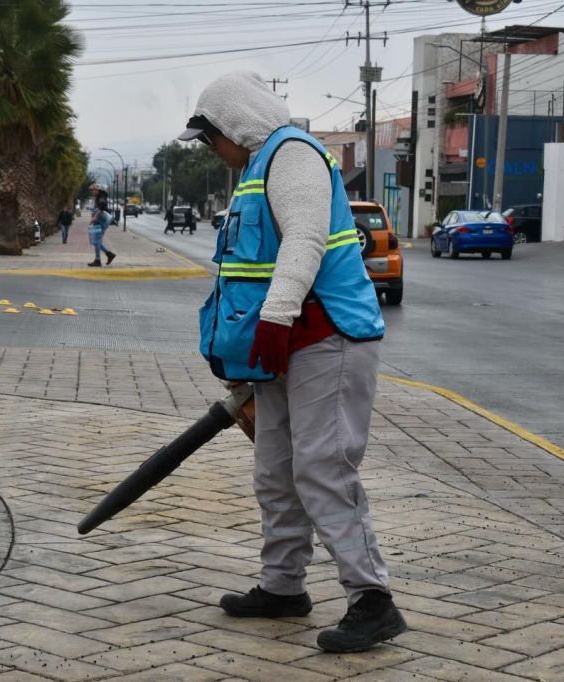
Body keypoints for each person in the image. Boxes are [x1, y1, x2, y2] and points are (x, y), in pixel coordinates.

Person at [180, 71, 405, 654]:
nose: (213, 149)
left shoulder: (294, 155)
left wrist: (276, 321)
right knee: (275, 469)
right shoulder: (256, 169)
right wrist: (251, 350)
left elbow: (305, 239)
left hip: (326, 337)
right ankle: (283, 587)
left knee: (323, 467)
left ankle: (372, 599)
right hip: (280, 346)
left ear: (235, 123)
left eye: (212, 137)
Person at [87, 200, 116, 267]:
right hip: (100, 225)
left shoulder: (101, 199)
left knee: (96, 242)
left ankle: (98, 260)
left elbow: (100, 209)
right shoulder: (98, 201)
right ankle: (108, 254)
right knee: (97, 242)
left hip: (100, 225)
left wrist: (94, 218)